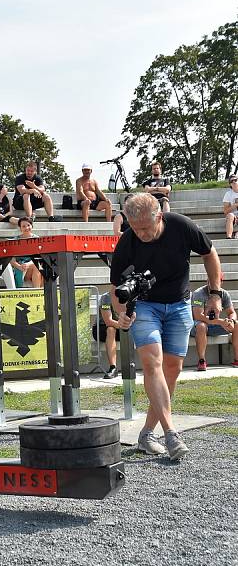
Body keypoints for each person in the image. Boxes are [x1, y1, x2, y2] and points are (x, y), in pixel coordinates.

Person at [110, 193, 222, 460]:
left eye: (146, 228)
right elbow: (115, 287)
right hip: (145, 306)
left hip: (180, 304)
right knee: (152, 364)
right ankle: (171, 433)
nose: (141, 234)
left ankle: (147, 434)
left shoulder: (181, 226)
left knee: (172, 369)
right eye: (135, 229)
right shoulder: (128, 241)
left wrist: (215, 292)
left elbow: (210, 252)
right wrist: (122, 312)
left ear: (159, 217)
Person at [191, 277, 238, 370]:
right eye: (210, 281)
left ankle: (237, 359)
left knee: (237, 324)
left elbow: (232, 312)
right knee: (201, 326)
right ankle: (202, 361)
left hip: (215, 325)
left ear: (221, 282)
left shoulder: (224, 294)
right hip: (197, 326)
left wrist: (231, 321)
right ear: (207, 281)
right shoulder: (198, 293)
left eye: (215, 282)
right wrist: (220, 322)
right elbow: (198, 316)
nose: (212, 284)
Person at [92, 291, 120, 379]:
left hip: (122, 327)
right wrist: (126, 325)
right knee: (111, 329)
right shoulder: (106, 297)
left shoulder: (132, 295)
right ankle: (113, 368)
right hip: (102, 328)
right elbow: (108, 321)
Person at [11, 217, 43, 288]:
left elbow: (39, 257)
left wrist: (28, 264)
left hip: (33, 265)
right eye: (23, 226)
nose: (26, 228)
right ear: (20, 228)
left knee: (37, 266)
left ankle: (37, 291)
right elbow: (11, 259)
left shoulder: (37, 239)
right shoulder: (15, 240)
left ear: (32, 226)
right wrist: (19, 266)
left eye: (28, 225)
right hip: (19, 267)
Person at [223, 175, 238, 239]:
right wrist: (235, 205)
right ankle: (229, 237)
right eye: (232, 181)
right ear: (230, 184)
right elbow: (225, 212)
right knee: (230, 215)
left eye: (235, 180)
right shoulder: (228, 194)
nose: (234, 182)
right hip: (234, 216)